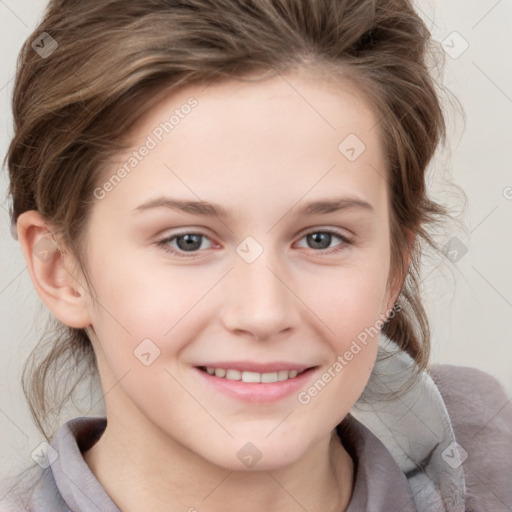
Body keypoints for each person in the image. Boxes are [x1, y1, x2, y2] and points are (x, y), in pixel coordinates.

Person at [2, 0, 511, 511]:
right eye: (188, 241)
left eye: (321, 238)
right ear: (60, 268)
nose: (264, 313)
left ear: (395, 266)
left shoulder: (491, 463)